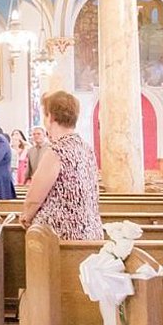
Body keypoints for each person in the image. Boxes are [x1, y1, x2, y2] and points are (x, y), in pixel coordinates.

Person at [19, 91, 102, 239]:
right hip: (90, 231)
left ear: (50, 116)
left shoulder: (56, 151)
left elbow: (34, 198)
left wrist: (26, 216)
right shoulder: (86, 147)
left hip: (59, 236)